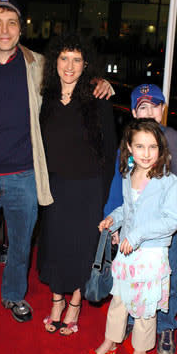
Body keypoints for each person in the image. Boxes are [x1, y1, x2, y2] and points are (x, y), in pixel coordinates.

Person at [0, 0, 113, 335]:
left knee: (20, 244)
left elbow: (72, 74)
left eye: (12, 22)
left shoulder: (39, 65)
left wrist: (98, 82)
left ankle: (14, 295)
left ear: (21, 28)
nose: (5, 30)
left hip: (24, 176)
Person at [104, 84, 177, 354]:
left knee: (166, 278)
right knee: (132, 278)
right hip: (132, 227)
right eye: (142, 106)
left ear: (163, 110)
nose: (149, 110)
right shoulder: (129, 146)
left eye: (155, 105)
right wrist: (112, 221)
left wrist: (174, 212)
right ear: (135, 111)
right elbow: (118, 185)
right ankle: (132, 319)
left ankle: (166, 324)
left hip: (164, 232)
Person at [85, 118, 177, 354]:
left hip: (150, 256)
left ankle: (139, 353)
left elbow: (172, 221)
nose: (147, 154)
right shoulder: (129, 175)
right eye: (140, 146)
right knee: (119, 301)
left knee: (144, 309)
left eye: (152, 147)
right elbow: (128, 210)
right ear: (129, 147)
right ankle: (110, 342)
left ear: (161, 149)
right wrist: (114, 221)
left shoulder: (169, 182)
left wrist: (137, 235)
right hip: (127, 256)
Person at [37, 34, 117, 335]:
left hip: (89, 188)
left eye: (77, 59)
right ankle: (56, 300)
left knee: (83, 248)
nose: (69, 66)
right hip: (55, 186)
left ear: (85, 65)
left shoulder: (98, 101)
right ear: (55, 62)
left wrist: (108, 201)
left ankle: (75, 303)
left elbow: (110, 152)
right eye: (64, 58)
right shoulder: (43, 99)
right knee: (55, 245)